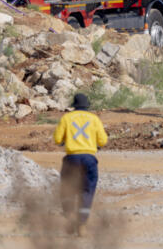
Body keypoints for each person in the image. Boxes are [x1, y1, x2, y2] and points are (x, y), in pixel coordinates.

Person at [53, 93, 108, 235]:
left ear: (74, 105)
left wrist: (66, 140)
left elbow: (57, 139)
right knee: (87, 190)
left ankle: (69, 215)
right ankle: (82, 224)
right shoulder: (94, 119)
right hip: (89, 159)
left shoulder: (66, 118)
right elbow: (102, 141)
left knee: (67, 188)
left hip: (71, 159)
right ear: (87, 106)